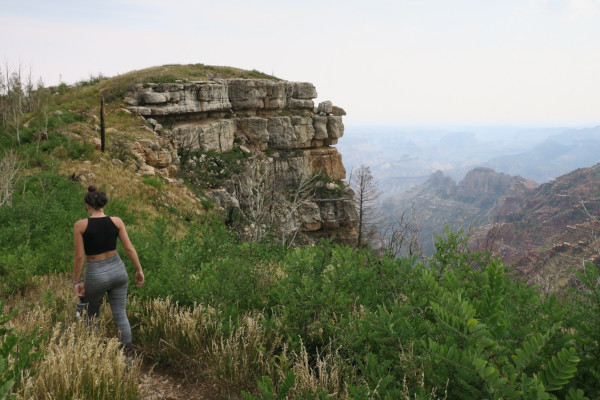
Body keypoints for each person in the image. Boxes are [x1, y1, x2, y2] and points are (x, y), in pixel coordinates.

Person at [73, 185, 144, 351]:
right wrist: (139, 269)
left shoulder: (80, 225)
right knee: (120, 315)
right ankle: (127, 356)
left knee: (91, 316)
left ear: (87, 205)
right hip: (118, 270)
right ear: (104, 205)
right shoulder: (117, 221)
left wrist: (77, 281)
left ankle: (92, 352)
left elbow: (79, 256)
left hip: (96, 273)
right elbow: (129, 248)